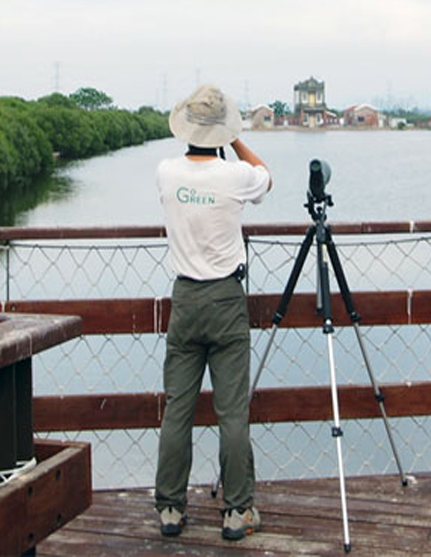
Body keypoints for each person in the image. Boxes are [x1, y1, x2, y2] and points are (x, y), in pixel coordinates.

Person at [154, 84, 272, 540]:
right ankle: (237, 510)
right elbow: (265, 175)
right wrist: (236, 139)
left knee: (177, 408)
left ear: (185, 127)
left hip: (185, 298)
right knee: (232, 412)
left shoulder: (166, 172)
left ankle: (170, 507)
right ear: (222, 132)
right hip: (226, 299)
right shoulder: (235, 176)